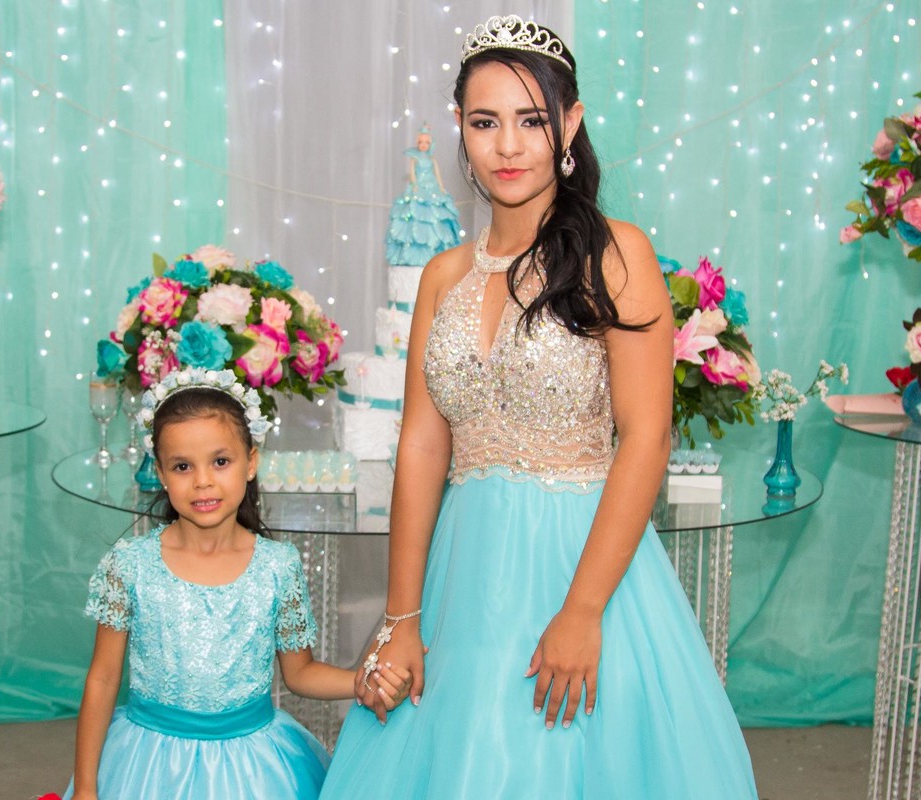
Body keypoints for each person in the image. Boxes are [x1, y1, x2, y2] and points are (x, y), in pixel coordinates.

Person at [320, 15, 758, 799]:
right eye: (485, 122)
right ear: (460, 129)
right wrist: (401, 618)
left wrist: (582, 610)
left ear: (570, 123)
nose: (509, 146)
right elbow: (421, 446)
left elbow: (647, 438)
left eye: (531, 120)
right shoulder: (442, 277)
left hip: (583, 562)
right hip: (465, 575)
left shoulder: (615, 254)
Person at [63, 368, 409, 800]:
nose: (203, 481)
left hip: (254, 770)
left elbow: (300, 673)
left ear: (251, 462)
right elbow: (102, 679)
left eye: (220, 461)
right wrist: (87, 787)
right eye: (183, 466)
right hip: (147, 765)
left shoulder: (277, 566)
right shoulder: (130, 565)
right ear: (162, 473)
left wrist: (360, 680)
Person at [385, 124, 464, 267]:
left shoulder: (432, 159)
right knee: (414, 214)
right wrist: (414, 185)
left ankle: (435, 252)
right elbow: (412, 174)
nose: (423, 145)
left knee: (436, 215)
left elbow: (437, 174)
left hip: (432, 186)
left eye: (426, 142)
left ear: (430, 144)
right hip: (419, 187)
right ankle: (413, 255)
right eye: (421, 142)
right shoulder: (414, 158)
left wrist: (441, 187)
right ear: (417, 143)